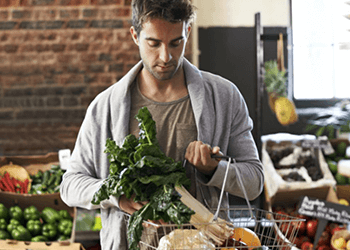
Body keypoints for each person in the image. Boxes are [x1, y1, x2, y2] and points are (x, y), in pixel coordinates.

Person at [60, 0, 264, 249]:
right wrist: (117, 195)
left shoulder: (224, 97)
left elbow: (254, 182)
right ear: (135, 35)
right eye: (153, 43)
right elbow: (70, 186)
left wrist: (214, 169)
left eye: (175, 43)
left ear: (187, 32)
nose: (165, 56)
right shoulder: (104, 107)